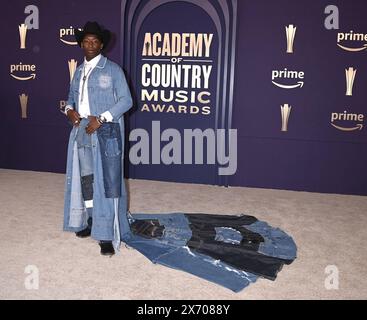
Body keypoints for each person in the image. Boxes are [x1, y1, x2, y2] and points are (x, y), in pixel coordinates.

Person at [62, 21, 133, 256]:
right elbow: (71, 97)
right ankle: (91, 221)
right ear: (81, 44)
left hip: (105, 132)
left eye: (95, 41)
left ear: (101, 44)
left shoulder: (112, 69)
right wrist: (69, 110)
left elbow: (126, 101)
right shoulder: (79, 71)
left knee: (107, 183)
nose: (90, 45)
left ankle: (106, 234)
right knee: (87, 179)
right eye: (86, 41)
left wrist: (101, 119)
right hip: (82, 130)